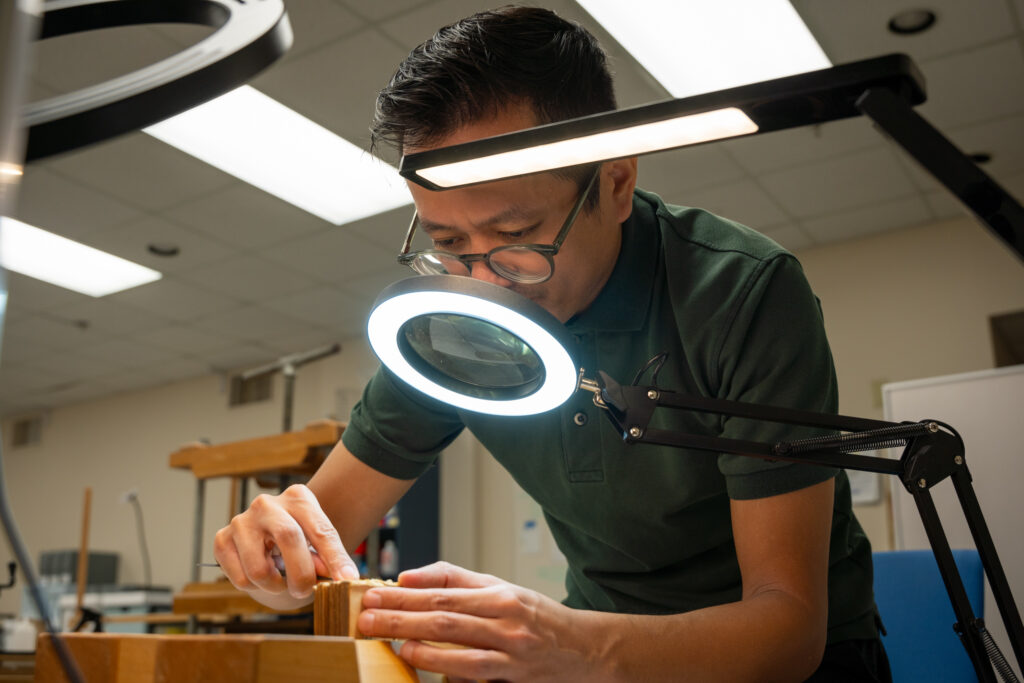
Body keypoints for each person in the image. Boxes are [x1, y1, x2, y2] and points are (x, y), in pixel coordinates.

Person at [214, 6, 890, 681]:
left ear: (617, 182)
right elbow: (318, 530)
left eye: (517, 236)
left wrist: (566, 642)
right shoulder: (447, 326)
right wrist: (276, 560)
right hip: (594, 645)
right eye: (448, 244)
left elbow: (788, 626)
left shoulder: (739, 293)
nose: (485, 284)